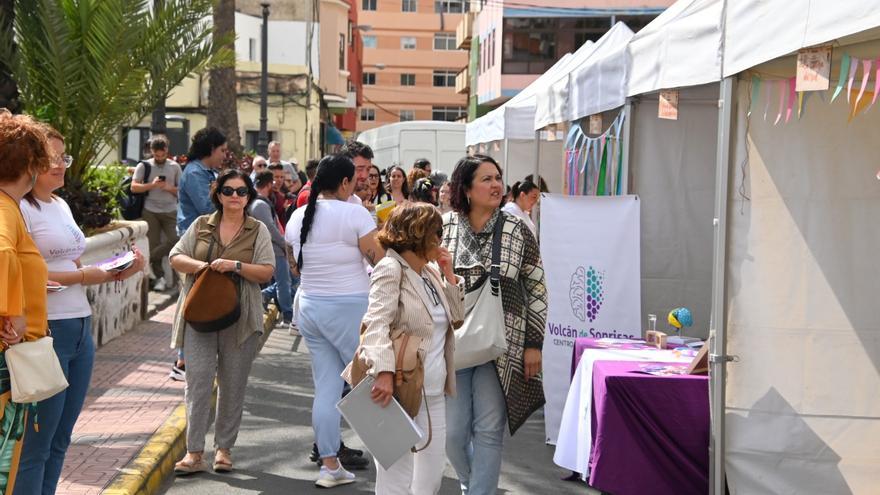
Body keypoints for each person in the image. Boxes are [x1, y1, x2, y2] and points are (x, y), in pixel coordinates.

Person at [15, 127, 147, 495]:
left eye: (63, 157)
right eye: (51, 158)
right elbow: (25, 274)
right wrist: (87, 275)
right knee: (36, 447)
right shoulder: (18, 209)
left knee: (61, 439)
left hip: (79, 327)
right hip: (47, 332)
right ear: (30, 163)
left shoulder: (60, 204)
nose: (60, 165)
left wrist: (118, 265)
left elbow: (71, 258)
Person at [441, 155, 548, 495]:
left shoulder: (517, 229)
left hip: (505, 344)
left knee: (488, 431)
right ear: (466, 189)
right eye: (486, 179)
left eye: (498, 177)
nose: (496, 185)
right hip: (454, 343)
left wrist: (534, 344)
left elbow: (537, 287)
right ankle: (472, 482)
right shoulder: (444, 227)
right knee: (453, 434)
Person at [285, 154, 384, 488]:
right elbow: (379, 261)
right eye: (354, 180)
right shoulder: (354, 213)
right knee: (371, 382)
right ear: (344, 183)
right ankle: (396, 457)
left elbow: (294, 266)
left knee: (327, 390)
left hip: (311, 307)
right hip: (349, 308)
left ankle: (330, 466)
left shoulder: (298, 216)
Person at [351, 203, 463, 495]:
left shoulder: (429, 272)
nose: (441, 238)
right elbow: (376, 324)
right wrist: (384, 373)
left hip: (434, 391)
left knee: (431, 478)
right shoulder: (390, 267)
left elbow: (456, 319)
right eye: (436, 231)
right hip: (400, 388)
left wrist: (449, 275)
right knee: (396, 479)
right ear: (417, 233)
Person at [170, 170, 275, 475]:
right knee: (197, 383)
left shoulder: (257, 230)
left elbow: (267, 271)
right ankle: (193, 452)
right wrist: (204, 267)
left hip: (240, 317)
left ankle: (224, 450)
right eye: (228, 191)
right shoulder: (201, 224)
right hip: (200, 313)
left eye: (241, 192)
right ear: (218, 194)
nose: (235, 197)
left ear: (249, 196)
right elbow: (176, 257)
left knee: (233, 384)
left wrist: (235, 266)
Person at [0, 112, 53, 494]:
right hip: (6, 360)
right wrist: (12, 313)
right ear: (31, 166)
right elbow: (1, 252)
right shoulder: (5, 209)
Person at [174, 127, 227, 381]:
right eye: (222, 150)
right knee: (194, 298)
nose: (224, 156)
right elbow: (208, 207)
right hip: (195, 243)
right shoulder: (195, 173)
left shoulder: (209, 172)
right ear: (210, 149)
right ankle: (183, 360)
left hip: (208, 241)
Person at [131, 135, 182, 292]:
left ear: (167, 150)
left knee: (175, 240)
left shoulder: (175, 167)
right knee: (152, 243)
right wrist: (151, 185)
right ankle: (159, 278)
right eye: (156, 155)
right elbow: (134, 187)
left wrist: (168, 188)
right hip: (150, 211)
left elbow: (182, 191)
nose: (159, 158)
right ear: (152, 151)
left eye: (162, 155)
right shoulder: (144, 166)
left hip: (170, 211)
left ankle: (150, 258)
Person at [249, 171, 293, 324]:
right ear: (268, 184)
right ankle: (288, 315)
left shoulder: (261, 202)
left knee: (288, 280)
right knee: (284, 283)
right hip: (274, 249)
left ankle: (265, 294)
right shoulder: (260, 204)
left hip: (275, 248)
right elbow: (271, 229)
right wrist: (284, 244)